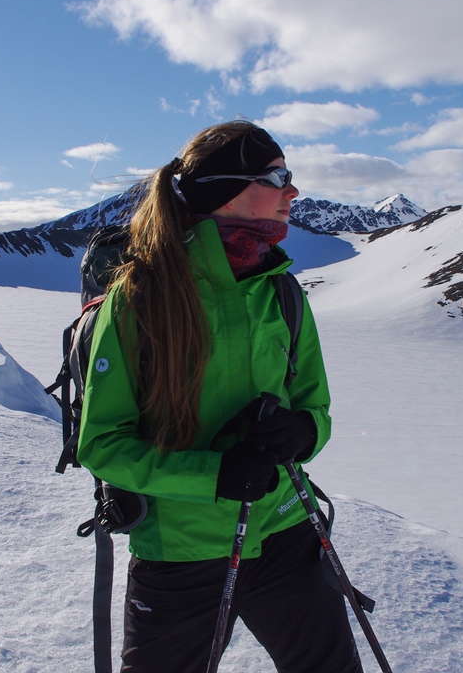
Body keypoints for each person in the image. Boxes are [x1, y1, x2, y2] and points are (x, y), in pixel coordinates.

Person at [76, 122, 362, 672]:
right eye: (277, 176)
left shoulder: (280, 288)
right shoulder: (140, 298)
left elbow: (315, 407)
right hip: (181, 550)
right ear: (224, 189)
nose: (292, 191)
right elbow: (103, 444)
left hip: (286, 529)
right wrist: (215, 476)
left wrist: (302, 434)